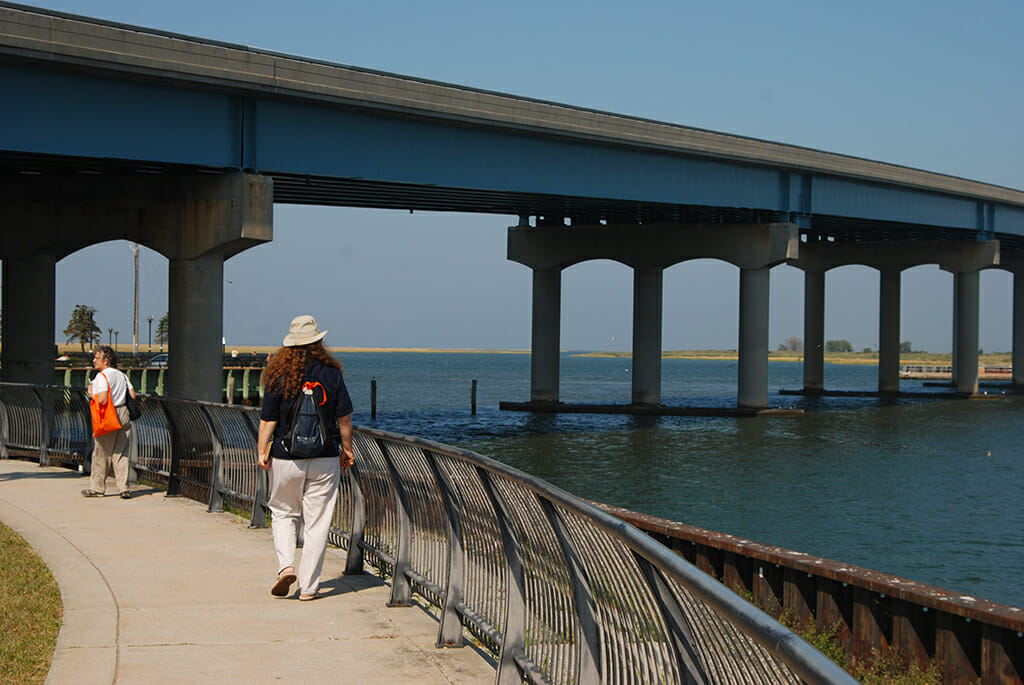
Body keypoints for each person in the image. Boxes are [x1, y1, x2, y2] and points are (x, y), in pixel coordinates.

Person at [257, 315, 354, 600]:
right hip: (325, 457)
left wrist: (262, 451)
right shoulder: (332, 375)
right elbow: (344, 418)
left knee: (283, 513)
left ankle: (286, 566)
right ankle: (309, 588)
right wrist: (347, 449)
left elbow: (268, 421)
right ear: (318, 342)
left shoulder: (278, 375)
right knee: (317, 523)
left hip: (286, 457)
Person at [82, 345, 137, 499]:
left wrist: (91, 393)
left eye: (97, 358)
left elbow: (103, 399)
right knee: (121, 453)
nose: (94, 360)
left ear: (106, 361)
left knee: (102, 452)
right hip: (123, 412)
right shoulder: (121, 375)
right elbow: (132, 395)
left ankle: (97, 488)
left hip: (109, 416)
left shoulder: (101, 376)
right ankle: (123, 488)